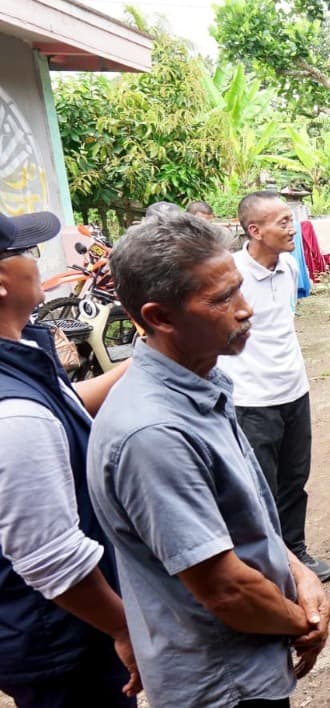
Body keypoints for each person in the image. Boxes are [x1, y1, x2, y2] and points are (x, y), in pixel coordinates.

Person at [87, 213, 330, 707]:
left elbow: (243, 522)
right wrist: (304, 621)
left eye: (239, 291)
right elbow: (225, 590)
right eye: (222, 299)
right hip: (221, 684)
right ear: (160, 317)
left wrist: (300, 575)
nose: (246, 311)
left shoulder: (203, 384)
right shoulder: (154, 434)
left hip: (245, 661)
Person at [0, 211, 140, 707]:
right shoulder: (13, 412)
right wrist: (123, 628)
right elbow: (51, 558)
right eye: (26, 253)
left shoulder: (17, 360)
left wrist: (145, 359)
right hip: (63, 640)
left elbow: (67, 407)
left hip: (54, 628)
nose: (39, 263)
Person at [219, 191, 330, 582]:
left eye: (291, 219)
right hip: (251, 399)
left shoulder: (289, 268)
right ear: (255, 230)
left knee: (294, 479)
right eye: (282, 222)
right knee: (259, 487)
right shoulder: (229, 274)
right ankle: (268, 563)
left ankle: (295, 550)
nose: (293, 228)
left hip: (293, 390)